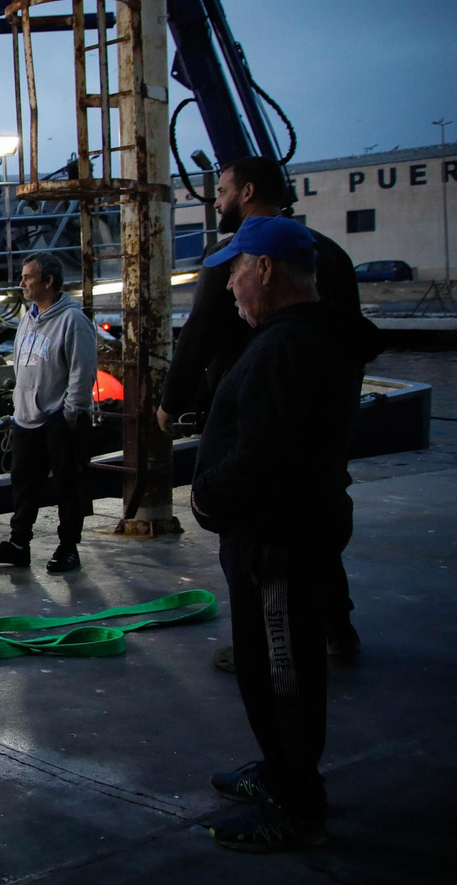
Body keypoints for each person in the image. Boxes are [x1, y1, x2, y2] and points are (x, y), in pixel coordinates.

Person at [190, 216, 380, 852]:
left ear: (265, 269)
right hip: (278, 534)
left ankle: (297, 800)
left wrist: (209, 495)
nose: (228, 288)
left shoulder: (289, 347)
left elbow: (267, 455)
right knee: (267, 665)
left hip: (276, 540)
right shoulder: (303, 338)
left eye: (236, 272)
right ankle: (278, 768)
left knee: (282, 670)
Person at [159, 156, 365, 661]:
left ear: (248, 192)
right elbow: (351, 338)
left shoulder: (239, 253)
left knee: (257, 538)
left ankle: (268, 646)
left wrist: (170, 405)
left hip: (252, 419)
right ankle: (336, 627)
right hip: (324, 422)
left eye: (223, 190)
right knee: (315, 518)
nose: (217, 200)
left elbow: (200, 333)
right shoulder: (330, 254)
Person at [0, 251, 97, 574]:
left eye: (28, 277)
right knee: (24, 484)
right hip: (25, 419)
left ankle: (68, 547)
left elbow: (81, 371)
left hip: (58, 418)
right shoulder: (28, 317)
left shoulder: (73, 321)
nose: (22, 282)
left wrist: (72, 413)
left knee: (67, 486)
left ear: (49, 281)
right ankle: (19, 544)